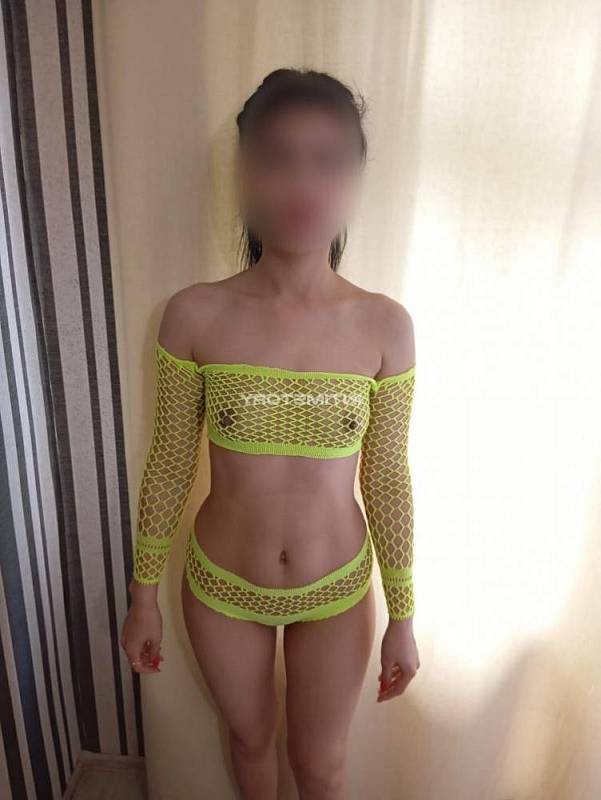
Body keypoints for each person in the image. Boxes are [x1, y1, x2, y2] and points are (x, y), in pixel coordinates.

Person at [120, 67, 420, 800]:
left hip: (337, 588)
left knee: (321, 768)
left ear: (354, 177)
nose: (302, 183)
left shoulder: (384, 325)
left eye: (327, 161)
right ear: (247, 174)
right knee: (251, 744)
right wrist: (143, 594)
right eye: (278, 159)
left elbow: (386, 474)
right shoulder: (193, 314)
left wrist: (403, 614)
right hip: (220, 583)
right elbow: (169, 460)